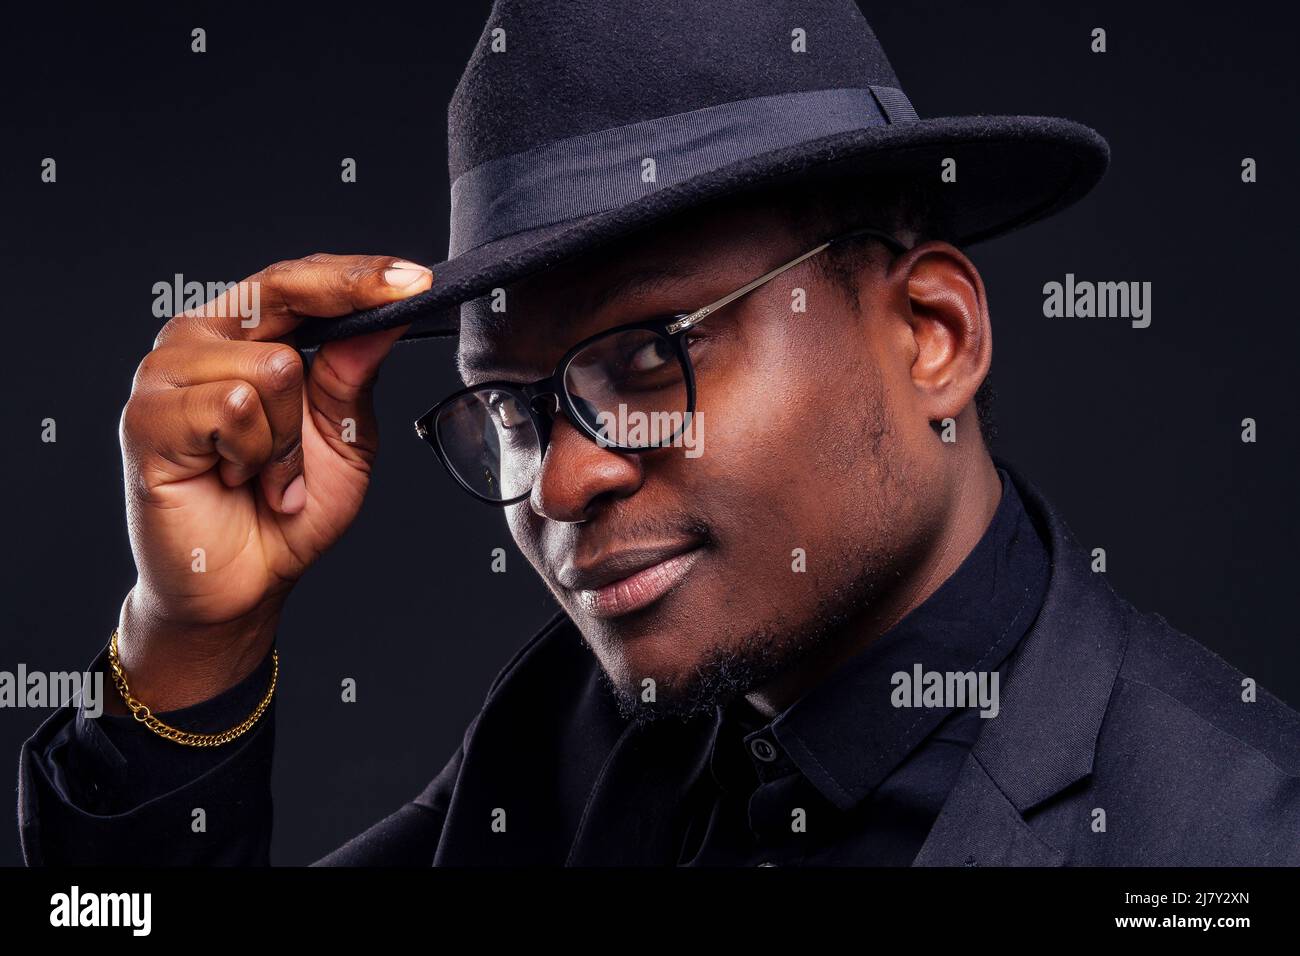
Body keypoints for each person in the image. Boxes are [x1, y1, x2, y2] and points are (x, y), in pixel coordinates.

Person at [18, 0, 1300, 866]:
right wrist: (192, 638)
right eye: (512, 406)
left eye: (650, 357)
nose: (562, 478)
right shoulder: (568, 740)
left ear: (930, 335)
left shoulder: (1227, 841)